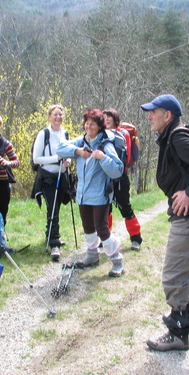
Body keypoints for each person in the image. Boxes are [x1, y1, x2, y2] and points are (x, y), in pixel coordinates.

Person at [140, 94, 189, 351]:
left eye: (154, 111)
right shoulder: (172, 135)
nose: (149, 116)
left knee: (174, 271)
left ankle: (177, 332)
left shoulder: (177, 136)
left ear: (168, 115)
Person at [57, 108, 125, 277]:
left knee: (102, 229)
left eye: (93, 124)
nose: (89, 126)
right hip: (82, 194)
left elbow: (117, 170)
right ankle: (92, 255)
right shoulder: (81, 142)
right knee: (88, 227)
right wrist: (78, 152)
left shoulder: (105, 145)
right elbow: (59, 148)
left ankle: (117, 261)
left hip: (100, 195)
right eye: (87, 123)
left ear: (100, 126)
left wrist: (102, 158)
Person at [31, 104, 72, 261]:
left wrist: (68, 160)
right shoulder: (44, 134)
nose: (58, 117)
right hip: (47, 177)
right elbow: (37, 159)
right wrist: (57, 158)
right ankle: (54, 243)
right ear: (49, 116)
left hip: (62, 176)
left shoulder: (65, 133)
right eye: (55, 114)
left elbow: (68, 153)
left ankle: (51, 236)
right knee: (52, 208)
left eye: (60, 114)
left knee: (56, 208)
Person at [102, 108, 143, 251]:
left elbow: (127, 156)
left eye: (109, 117)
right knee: (105, 208)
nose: (106, 120)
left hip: (120, 177)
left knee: (125, 208)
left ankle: (136, 238)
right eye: (104, 118)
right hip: (105, 177)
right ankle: (106, 237)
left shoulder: (124, 134)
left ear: (115, 119)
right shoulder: (101, 134)